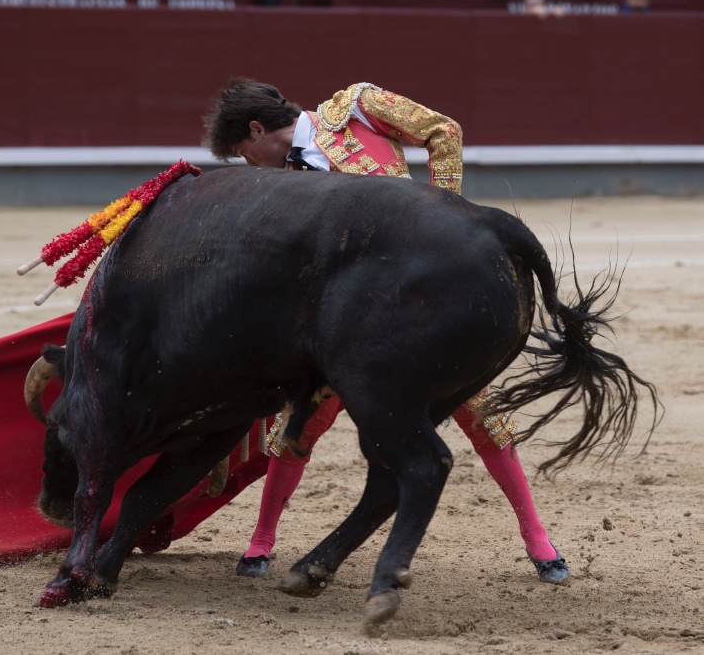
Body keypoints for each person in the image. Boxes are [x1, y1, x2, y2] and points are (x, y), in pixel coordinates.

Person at [202, 77, 571, 586]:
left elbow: (444, 132)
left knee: (481, 413)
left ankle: (537, 538)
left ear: (258, 130)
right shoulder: (283, 185)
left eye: (245, 154)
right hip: (340, 329)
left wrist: (441, 225)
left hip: (412, 306)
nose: (251, 167)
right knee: (300, 424)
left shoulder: (357, 107)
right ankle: (261, 540)